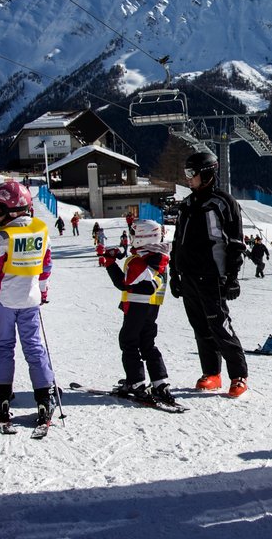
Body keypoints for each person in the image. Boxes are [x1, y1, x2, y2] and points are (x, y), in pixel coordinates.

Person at [170, 152, 249, 398]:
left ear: (206, 173)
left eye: (191, 174)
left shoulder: (223, 203)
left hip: (212, 276)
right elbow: (176, 241)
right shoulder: (187, 204)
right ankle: (212, 373)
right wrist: (174, 273)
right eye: (186, 174)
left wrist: (233, 277)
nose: (188, 179)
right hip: (189, 276)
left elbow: (236, 243)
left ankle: (238, 376)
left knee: (219, 326)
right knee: (200, 327)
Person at [0, 182, 56, 428]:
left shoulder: (3, 235)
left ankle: (2, 395)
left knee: (3, 345)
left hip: (4, 300)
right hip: (31, 298)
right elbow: (46, 267)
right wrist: (42, 292)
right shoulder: (41, 230)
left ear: (10, 210)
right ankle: (45, 395)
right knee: (34, 347)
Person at [101, 220, 177, 405]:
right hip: (151, 307)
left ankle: (136, 383)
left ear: (142, 237)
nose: (131, 237)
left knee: (129, 342)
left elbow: (124, 284)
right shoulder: (159, 255)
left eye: (133, 234)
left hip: (137, 307)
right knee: (147, 343)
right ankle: (160, 382)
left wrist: (110, 263)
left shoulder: (140, 260)